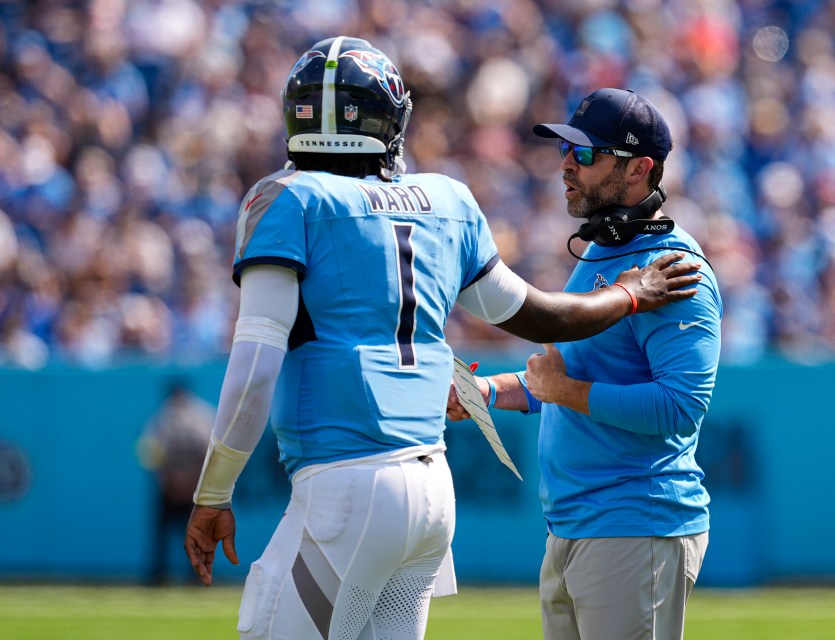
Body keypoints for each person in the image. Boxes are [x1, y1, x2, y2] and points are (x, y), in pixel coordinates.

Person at [182, 39, 702, 640]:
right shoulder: (445, 199)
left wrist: (213, 491)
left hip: (344, 486)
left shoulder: (287, 198)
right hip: (430, 491)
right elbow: (543, 317)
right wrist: (630, 294)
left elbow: (252, 369)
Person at [447, 88, 723, 640]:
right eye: (566, 152)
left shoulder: (672, 270)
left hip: (635, 522)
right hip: (575, 526)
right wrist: (488, 391)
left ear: (640, 169)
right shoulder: (601, 252)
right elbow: (562, 377)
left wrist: (565, 391)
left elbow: (681, 407)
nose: (568, 166)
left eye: (588, 154)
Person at [136, 380, 215, 585]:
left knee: (192, 533)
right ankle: (161, 572)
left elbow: (209, 453)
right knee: (170, 532)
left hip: (188, 485)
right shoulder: (192, 415)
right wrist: (171, 480)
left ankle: (194, 573)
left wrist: (189, 482)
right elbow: (152, 454)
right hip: (178, 485)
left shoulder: (192, 415)